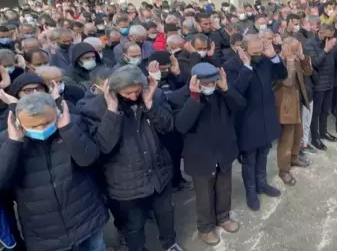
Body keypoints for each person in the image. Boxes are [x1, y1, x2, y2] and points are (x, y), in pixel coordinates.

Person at [80, 65, 184, 251]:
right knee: (134, 225)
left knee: (166, 213)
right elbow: (103, 146)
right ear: (113, 90)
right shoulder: (94, 109)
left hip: (159, 172)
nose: (134, 97)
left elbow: (167, 127)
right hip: (125, 181)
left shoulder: (154, 96)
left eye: (137, 91)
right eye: (127, 93)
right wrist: (112, 112)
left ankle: (170, 244)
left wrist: (150, 103)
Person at [0, 93, 109, 251]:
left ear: (58, 113)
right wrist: (13, 143)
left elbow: (88, 159)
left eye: (46, 123)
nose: (41, 129)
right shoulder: (8, 140)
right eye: (33, 126)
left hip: (86, 218)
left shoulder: (73, 124)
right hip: (44, 232)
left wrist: (68, 129)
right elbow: (2, 183)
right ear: (18, 122)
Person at [168, 64, 244, 246]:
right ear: (195, 80)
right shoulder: (179, 97)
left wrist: (226, 89)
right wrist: (194, 97)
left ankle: (223, 217)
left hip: (224, 150)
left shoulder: (221, 92)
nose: (210, 86)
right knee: (204, 195)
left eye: (213, 82)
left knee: (224, 187)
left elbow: (240, 106)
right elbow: (182, 125)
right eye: (206, 83)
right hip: (200, 154)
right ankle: (205, 228)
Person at [223, 34, 287, 211]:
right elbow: (235, 93)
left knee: (264, 153)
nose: (259, 55)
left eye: (260, 51)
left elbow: (282, 75)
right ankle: (251, 191)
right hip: (247, 120)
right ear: (242, 50)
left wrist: (274, 56)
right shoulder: (231, 66)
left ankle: (262, 183)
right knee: (249, 159)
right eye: (254, 52)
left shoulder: (264, 60)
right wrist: (246, 67)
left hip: (266, 116)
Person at [273, 37, 312, 186]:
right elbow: (288, 82)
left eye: (297, 49)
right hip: (285, 105)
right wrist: (290, 60)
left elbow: (308, 71)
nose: (296, 52)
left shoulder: (296, 58)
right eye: (293, 49)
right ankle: (283, 169)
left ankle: (294, 158)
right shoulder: (278, 62)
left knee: (298, 133)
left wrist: (301, 57)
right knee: (286, 138)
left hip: (297, 101)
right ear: (285, 48)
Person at [303, 24, 337, 150]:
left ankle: (323, 132)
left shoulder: (329, 43)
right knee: (316, 113)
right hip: (318, 84)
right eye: (327, 37)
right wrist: (326, 50)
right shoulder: (309, 44)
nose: (329, 39)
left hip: (329, 82)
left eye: (331, 36)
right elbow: (315, 64)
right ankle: (315, 137)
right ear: (321, 33)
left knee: (325, 110)